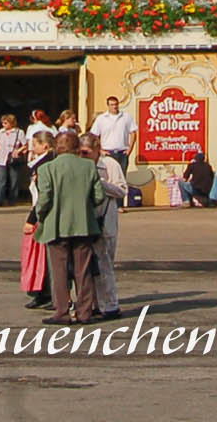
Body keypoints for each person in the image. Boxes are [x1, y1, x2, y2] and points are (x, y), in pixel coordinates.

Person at [30, 126, 104, 325]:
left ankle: (62, 312)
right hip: (84, 224)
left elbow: (44, 199)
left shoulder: (46, 168)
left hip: (56, 225)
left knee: (59, 271)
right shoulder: (88, 166)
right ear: (77, 147)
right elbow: (99, 197)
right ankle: (85, 312)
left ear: (56, 147)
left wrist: (40, 216)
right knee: (84, 270)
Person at [84, 132, 127, 320]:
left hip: (105, 220)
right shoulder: (80, 165)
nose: (83, 156)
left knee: (104, 264)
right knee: (86, 266)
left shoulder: (110, 165)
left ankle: (110, 304)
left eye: (86, 152)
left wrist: (101, 184)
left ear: (96, 150)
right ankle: (92, 303)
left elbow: (122, 190)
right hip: (85, 221)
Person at [21, 131, 55, 308]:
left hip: (43, 213)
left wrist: (31, 219)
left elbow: (44, 196)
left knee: (47, 257)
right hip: (39, 210)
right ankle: (40, 291)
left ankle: (48, 293)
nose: (32, 148)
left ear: (45, 146)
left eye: (35, 145)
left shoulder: (45, 165)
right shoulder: (38, 164)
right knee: (39, 256)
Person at [0, 114, 29, 206]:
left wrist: (18, 150)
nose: (4, 125)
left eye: (6, 123)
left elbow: (25, 145)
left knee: (14, 179)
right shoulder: (1, 132)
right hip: (1, 157)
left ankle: (13, 200)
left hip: (13, 158)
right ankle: (0, 199)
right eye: (3, 123)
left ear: (12, 123)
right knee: (1, 179)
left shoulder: (19, 132)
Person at [91, 97, 135, 172]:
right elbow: (94, 135)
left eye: (116, 104)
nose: (114, 106)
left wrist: (130, 149)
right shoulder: (101, 119)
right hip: (107, 153)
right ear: (108, 106)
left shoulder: (126, 117)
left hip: (122, 153)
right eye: (112, 105)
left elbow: (133, 133)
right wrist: (100, 150)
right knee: (108, 177)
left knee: (122, 177)